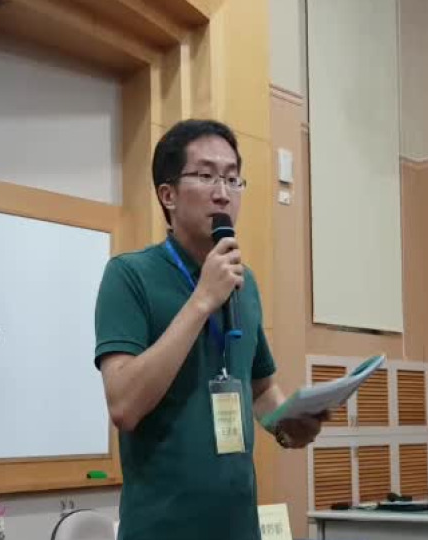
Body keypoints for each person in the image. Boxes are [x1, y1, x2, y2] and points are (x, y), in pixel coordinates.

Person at [94, 119, 326, 540]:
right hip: (162, 528)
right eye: (206, 176)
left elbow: (260, 388)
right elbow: (124, 405)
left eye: (233, 179)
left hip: (239, 527)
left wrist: (287, 426)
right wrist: (202, 300)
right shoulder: (129, 275)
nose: (223, 193)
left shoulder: (243, 282)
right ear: (168, 195)